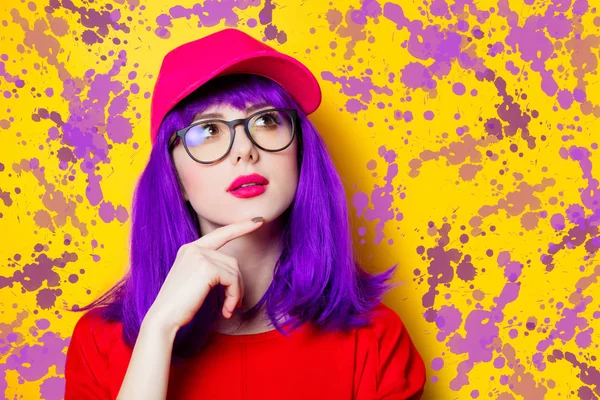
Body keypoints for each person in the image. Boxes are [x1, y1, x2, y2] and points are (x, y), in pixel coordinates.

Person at [63, 28, 426, 400]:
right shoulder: (101, 344)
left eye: (267, 121)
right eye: (207, 131)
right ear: (175, 179)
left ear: (300, 155)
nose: (245, 150)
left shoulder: (376, 339)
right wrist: (159, 330)